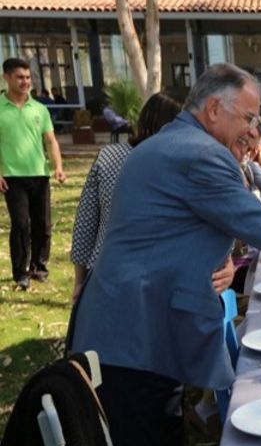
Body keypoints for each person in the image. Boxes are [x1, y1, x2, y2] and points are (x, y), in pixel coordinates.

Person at [66, 63, 261, 446]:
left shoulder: (169, 142)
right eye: (247, 117)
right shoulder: (200, 154)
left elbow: (179, 229)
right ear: (213, 108)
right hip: (135, 337)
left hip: (124, 327)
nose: (251, 129)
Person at [71, 92, 183, 302]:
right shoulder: (178, 164)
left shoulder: (108, 156)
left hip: (105, 273)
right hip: (158, 279)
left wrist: (79, 282)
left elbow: (85, 225)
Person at [0, 58, 67, 291]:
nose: (25, 82)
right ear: (7, 77)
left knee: (43, 224)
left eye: (28, 77)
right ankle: (21, 273)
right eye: (20, 77)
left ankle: (39, 268)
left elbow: (51, 141)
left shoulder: (39, 109)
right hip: (12, 177)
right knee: (20, 224)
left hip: (40, 175)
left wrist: (58, 167)